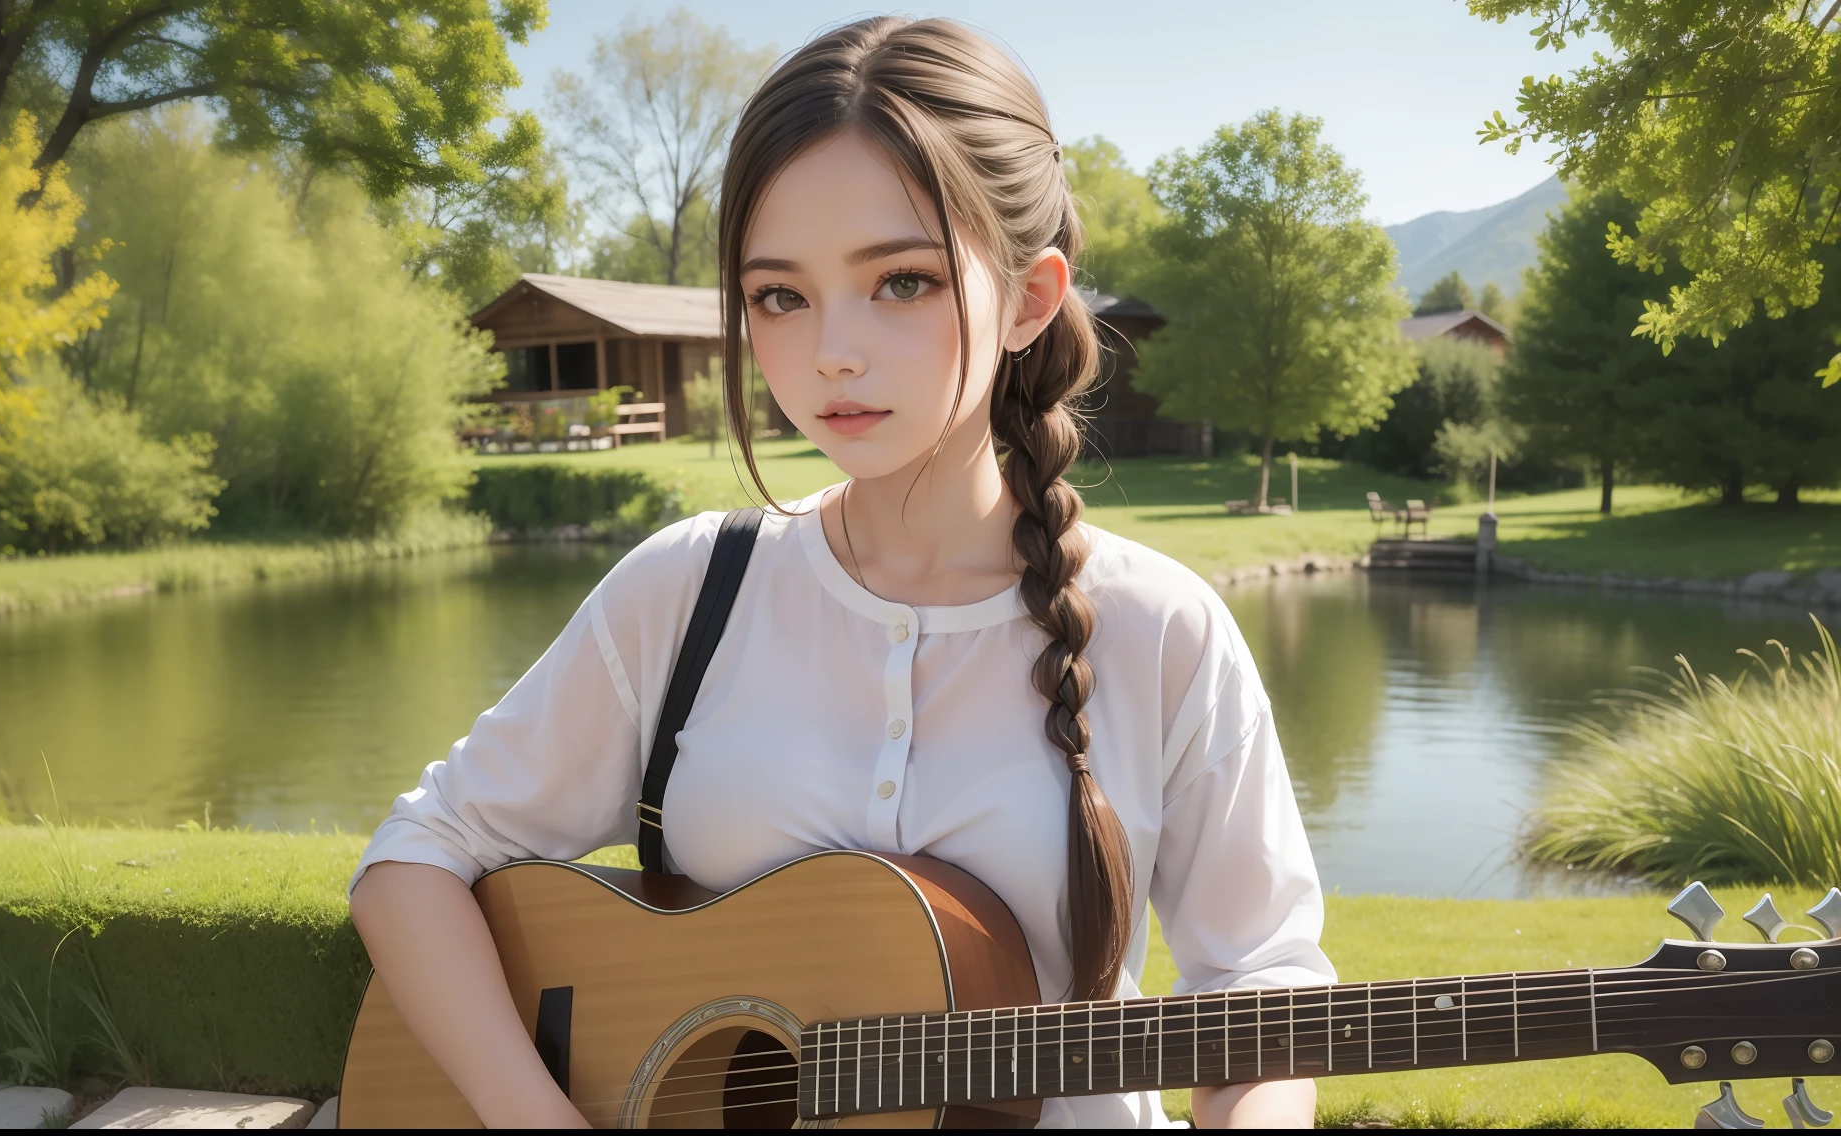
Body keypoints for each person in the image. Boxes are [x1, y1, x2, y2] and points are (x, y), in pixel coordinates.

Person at [347, 16, 1332, 1128]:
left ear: (1028, 296)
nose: (829, 353)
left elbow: (1259, 984)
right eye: (779, 295)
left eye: (899, 281)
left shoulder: (1163, 631)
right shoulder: (687, 592)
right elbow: (416, 856)